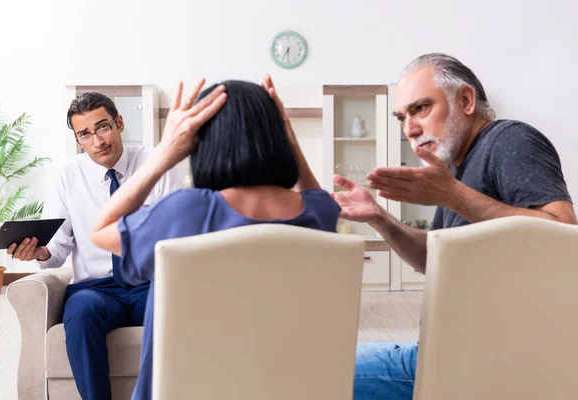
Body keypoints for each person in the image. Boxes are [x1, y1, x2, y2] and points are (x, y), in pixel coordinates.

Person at [332, 53, 577, 400]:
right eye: (402, 117)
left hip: (482, 368)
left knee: (312, 372)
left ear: (465, 100)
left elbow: (564, 238)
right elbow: (434, 259)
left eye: (420, 109)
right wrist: (379, 218)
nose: (410, 129)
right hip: (443, 352)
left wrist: (453, 195)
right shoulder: (458, 169)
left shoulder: (509, 139)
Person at [89, 76, 342, 400]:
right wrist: (288, 138)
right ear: (278, 135)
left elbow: (99, 230)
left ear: (203, 141)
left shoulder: (185, 213)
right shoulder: (318, 214)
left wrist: (164, 154)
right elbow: (315, 194)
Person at [6, 92, 183, 400]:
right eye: (85, 134)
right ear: (78, 140)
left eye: (103, 127)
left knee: (174, 309)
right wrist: (40, 252)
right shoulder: (68, 175)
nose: (98, 141)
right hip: (98, 289)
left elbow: (181, 231)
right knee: (82, 310)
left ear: (119, 123)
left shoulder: (157, 163)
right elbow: (58, 245)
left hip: (152, 282)